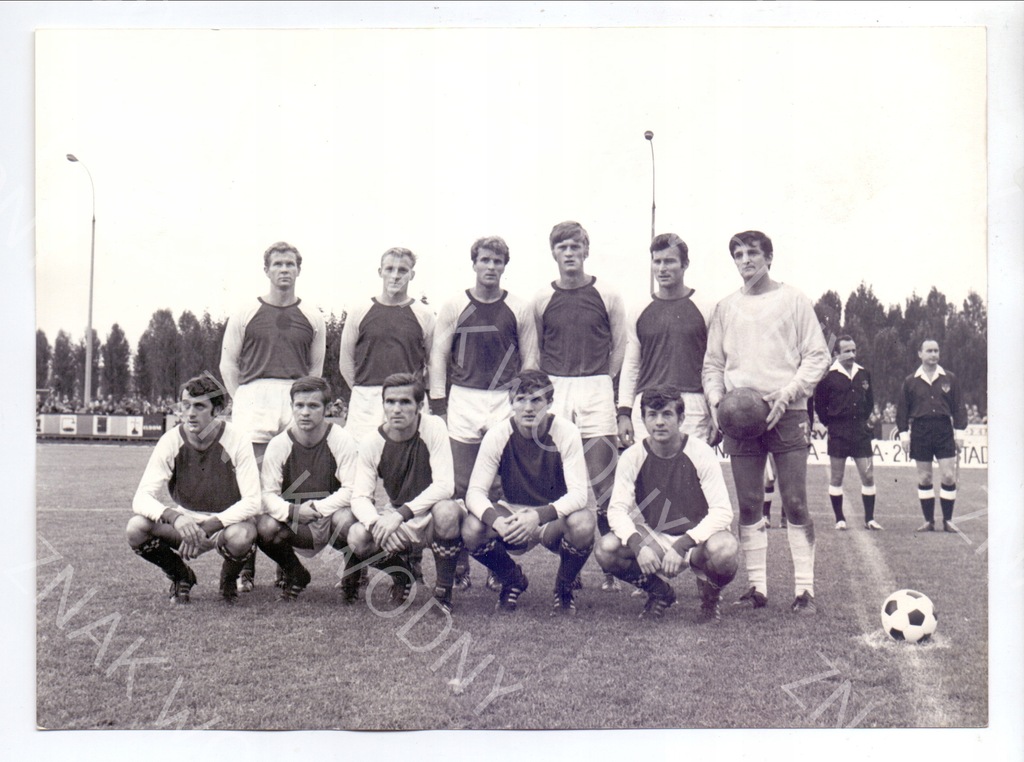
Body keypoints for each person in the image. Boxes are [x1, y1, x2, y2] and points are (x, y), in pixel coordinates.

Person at [702, 230, 829, 613]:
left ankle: (805, 591)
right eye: (738, 254)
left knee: (795, 502)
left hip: (787, 411)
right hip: (740, 416)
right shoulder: (725, 307)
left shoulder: (794, 300)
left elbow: (818, 356)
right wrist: (717, 403)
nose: (745, 260)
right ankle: (757, 589)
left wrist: (788, 392)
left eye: (753, 253)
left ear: (769, 257)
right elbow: (713, 365)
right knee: (748, 503)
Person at [428, 236, 539, 592]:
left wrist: (523, 401)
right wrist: (439, 405)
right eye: (485, 260)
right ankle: (459, 563)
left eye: (497, 261)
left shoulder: (519, 307)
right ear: (474, 263)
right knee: (459, 484)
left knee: (497, 486)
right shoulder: (455, 304)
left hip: (503, 400)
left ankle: (495, 563)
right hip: (463, 397)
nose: (491, 266)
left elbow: (530, 359)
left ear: (505, 266)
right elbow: (438, 356)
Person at [220, 241, 327, 592]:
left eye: (290, 264)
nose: (284, 269)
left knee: (290, 482)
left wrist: (303, 399)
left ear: (299, 269)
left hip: (294, 397)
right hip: (254, 396)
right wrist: (241, 397)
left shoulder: (312, 315)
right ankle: (246, 568)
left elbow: (315, 369)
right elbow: (228, 362)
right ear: (266, 270)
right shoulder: (246, 311)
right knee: (249, 483)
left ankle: (285, 563)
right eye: (278, 264)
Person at [530, 221, 625, 592]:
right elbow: (536, 349)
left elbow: (620, 344)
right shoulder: (541, 298)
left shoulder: (608, 293)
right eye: (562, 247)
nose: (569, 253)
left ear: (586, 250)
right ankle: (572, 562)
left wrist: (605, 379)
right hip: (557, 389)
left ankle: (612, 567)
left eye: (575, 246)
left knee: (603, 484)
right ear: (553, 253)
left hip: (596, 387)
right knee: (562, 484)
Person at [597, 386, 738, 621]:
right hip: (657, 537)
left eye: (667, 414)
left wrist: (682, 545)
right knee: (606, 548)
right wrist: (638, 546)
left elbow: (722, 512)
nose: (659, 422)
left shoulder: (701, 452)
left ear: (681, 419)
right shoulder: (632, 456)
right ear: (643, 419)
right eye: (652, 415)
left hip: (697, 540)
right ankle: (659, 592)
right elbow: (617, 511)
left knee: (726, 548)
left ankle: (710, 600)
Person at [463, 369, 595, 616]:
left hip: (552, 517)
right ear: (511, 402)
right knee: (472, 528)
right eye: (521, 399)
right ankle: (512, 579)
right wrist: (497, 521)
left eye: (536, 400)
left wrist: (538, 516)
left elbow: (579, 494)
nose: (528, 408)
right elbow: (474, 493)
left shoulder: (566, 432)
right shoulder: (497, 434)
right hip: (511, 512)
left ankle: (564, 588)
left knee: (584, 523)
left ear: (550, 403)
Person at [126, 373, 261, 604]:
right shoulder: (170, 440)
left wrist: (207, 528)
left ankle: (229, 580)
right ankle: (181, 576)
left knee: (244, 535)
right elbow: (141, 497)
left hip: (225, 524)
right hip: (186, 522)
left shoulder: (237, 439)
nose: (190, 413)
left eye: (199, 406)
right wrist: (176, 518)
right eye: (186, 405)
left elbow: (252, 501)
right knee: (136, 528)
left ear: (216, 410)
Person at [346, 373, 462, 614]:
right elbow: (359, 496)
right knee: (358, 536)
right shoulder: (372, 442)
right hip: (399, 516)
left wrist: (399, 515)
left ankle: (443, 590)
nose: (396, 409)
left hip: (431, 515)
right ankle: (402, 575)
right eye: (390, 401)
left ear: (419, 406)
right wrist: (376, 524)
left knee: (448, 510)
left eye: (405, 402)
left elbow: (444, 486)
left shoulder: (434, 427)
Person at [256, 376, 359, 601]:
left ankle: (352, 578)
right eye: (299, 405)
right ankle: (295, 573)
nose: (305, 412)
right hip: (297, 523)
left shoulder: (342, 439)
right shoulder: (279, 444)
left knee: (349, 520)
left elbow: (352, 489)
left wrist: (317, 508)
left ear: (328, 408)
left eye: (313, 406)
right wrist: (294, 512)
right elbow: (267, 495)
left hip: (331, 518)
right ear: (291, 406)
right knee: (264, 526)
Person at [617, 233, 714, 448]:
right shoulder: (639, 309)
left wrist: (715, 412)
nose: (662, 268)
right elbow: (631, 364)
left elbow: (714, 366)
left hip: (692, 405)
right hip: (648, 403)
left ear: (685, 264)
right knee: (648, 468)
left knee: (690, 467)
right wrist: (624, 413)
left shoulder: (706, 307)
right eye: (657, 261)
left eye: (669, 261)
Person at [339, 247, 435, 443]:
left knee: (408, 456)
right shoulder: (360, 310)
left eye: (402, 270)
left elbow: (433, 363)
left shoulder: (424, 314)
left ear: (412, 275)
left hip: (407, 399)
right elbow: (346, 361)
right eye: (390, 269)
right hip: (366, 401)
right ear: (380, 272)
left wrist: (416, 393)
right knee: (362, 456)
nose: (395, 275)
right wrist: (362, 390)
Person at [896, 339, 967, 532]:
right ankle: (929, 521)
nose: (934, 354)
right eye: (929, 351)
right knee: (925, 477)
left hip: (944, 430)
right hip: (920, 430)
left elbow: (959, 407)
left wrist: (960, 433)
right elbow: (902, 411)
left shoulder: (949, 378)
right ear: (920, 354)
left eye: (936, 351)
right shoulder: (910, 381)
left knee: (948, 476)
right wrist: (904, 435)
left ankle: (948, 520)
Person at [813, 335, 882, 531]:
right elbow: (820, 405)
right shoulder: (827, 377)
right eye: (847, 351)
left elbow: (869, 402)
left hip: (860, 431)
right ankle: (840, 519)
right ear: (836, 354)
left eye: (854, 350)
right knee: (837, 477)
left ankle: (869, 519)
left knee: (868, 476)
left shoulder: (864, 373)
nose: (852, 354)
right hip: (838, 431)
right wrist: (831, 423)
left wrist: (864, 423)